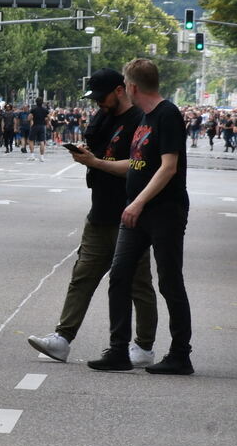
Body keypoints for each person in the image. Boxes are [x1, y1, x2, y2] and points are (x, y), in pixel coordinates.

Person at [28, 69, 157, 366]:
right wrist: (87, 154)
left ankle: (144, 346)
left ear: (120, 90)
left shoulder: (140, 120)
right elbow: (98, 151)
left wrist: (96, 162)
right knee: (82, 277)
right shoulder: (103, 117)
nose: (98, 103)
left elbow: (138, 166)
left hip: (130, 214)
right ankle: (62, 339)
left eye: (102, 97)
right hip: (99, 212)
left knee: (138, 284)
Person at [87, 59, 195, 375]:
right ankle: (118, 350)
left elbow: (169, 167)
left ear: (132, 87)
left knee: (169, 281)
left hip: (164, 211)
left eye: (125, 85)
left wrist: (138, 202)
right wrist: (97, 163)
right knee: (120, 276)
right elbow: (136, 164)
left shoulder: (167, 115)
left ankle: (180, 354)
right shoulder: (144, 118)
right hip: (136, 210)